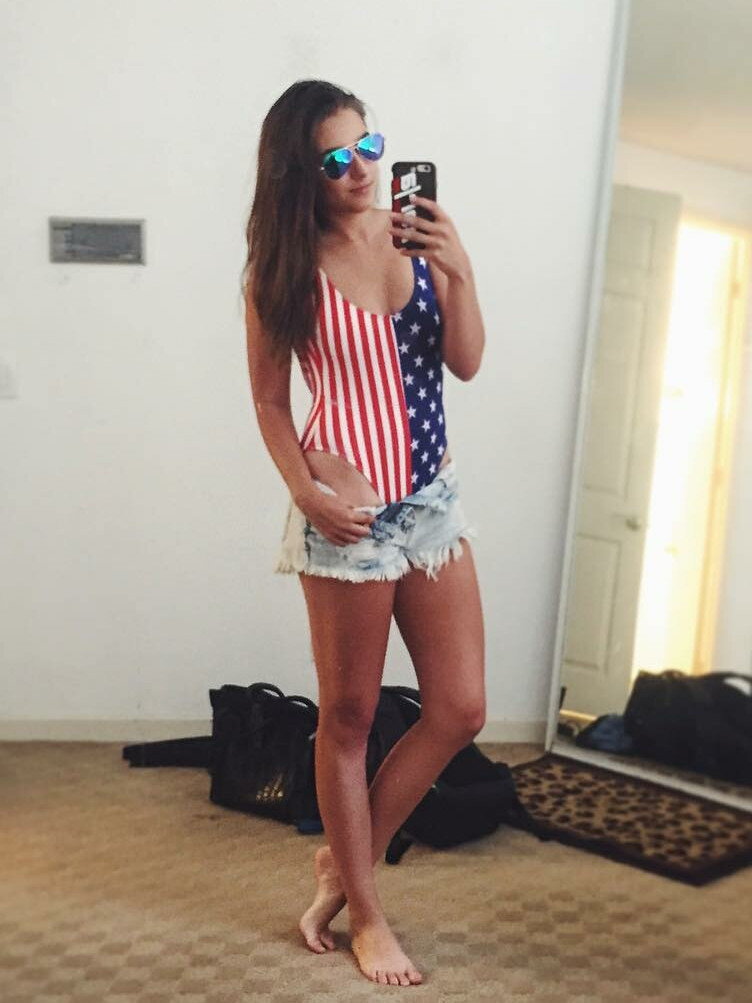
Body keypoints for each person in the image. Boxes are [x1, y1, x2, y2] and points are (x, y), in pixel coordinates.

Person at [243, 80, 487, 987]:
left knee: (460, 706)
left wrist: (460, 270)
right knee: (346, 719)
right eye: (337, 159)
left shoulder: (415, 236)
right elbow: (271, 402)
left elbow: (465, 362)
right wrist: (306, 492)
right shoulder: (283, 271)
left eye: (369, 147)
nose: (361, 170)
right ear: (299, 174)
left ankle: (341, 868)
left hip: (431, 503)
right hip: (346, 513)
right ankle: (368, 915)